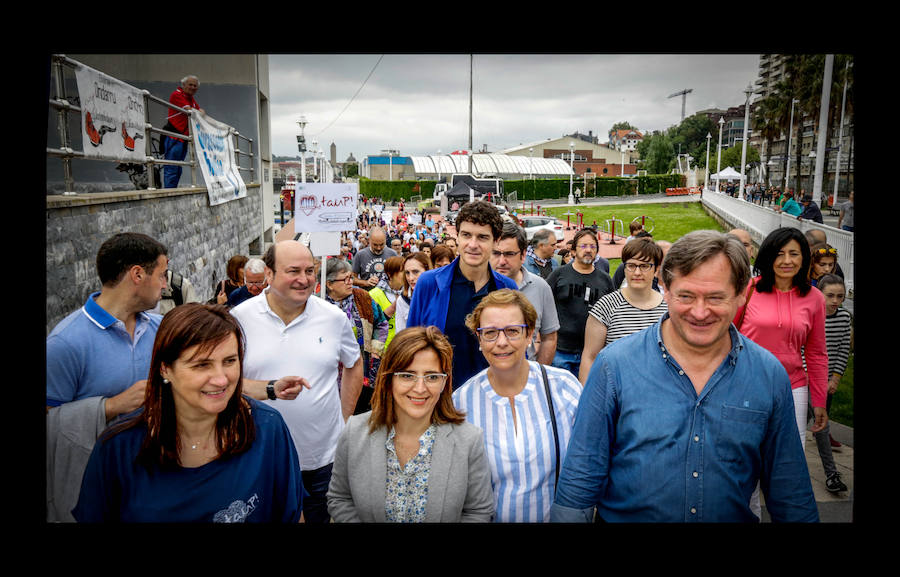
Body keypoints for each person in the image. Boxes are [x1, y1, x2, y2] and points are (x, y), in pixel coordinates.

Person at [550, 230, 819, 522]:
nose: (700, 312)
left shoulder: (768, 376)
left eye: (716, 297)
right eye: (686, 296)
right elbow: (580, 479)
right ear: (665, 288)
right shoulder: (614, 367)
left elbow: (790, 493)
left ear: (742, 294)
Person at [72, 304, 306, 522]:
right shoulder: (118, 449)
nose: (221, 379)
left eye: (230, 361)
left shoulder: (267, 429)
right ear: (165, 369)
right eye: (201, 365)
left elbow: (292, 514)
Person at [229, 240, 364, 524]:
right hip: (258, 456)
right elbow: (225, 382)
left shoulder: (333, 317)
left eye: (310, 271)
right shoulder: (238, 320)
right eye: (293, 271)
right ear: (269, 273)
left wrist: (345, 417)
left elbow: (354, 364)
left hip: (321, 460)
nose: (304, 280)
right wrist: (265, 389)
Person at [46, 232, 169, 522]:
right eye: (163, 275)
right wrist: (111, 406)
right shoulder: (65, 343)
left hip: (158, 482)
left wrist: (269, 389)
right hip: (96, 494)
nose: (166, 284)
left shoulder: (162, 328)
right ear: (137, 274)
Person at [326, 326, 495, 522]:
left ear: (444, 383)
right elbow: (340, 499)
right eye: (407, 375)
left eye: (432, 377)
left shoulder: (469, 440)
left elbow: (478, 511)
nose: (420, 388)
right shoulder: (354, 431)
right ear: (389, 379)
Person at [453, 289, 580, 522]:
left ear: (529, 334)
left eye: (512, 331)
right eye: (490, 333)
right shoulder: (461, 402)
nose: (502, 342)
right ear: (478, 339)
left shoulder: (564, 387)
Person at [734, 226, 828, 451]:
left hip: (792, 386)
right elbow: (727, 335)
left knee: (789, 457)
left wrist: (819, 401)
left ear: (804, 258)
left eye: (794, 254)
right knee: (748, 455)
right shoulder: (749, 289)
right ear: (768, 256)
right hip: (747, 384)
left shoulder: (815, 298)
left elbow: (816, 353)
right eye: (779, 254)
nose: (787, 261)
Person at [407, 200, 518, 390]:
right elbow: (410, 346)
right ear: (457, 236)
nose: (472, 245)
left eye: (482, 237)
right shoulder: (428, 283)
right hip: (440, 399)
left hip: (491, 397)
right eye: (466, 235)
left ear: (496, 240)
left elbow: (516, 351)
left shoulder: (507, 288)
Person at [578, 238, 668, 383]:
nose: (637, 272)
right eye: (631, 265)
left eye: (645, 266)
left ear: (656, 270)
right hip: (614, 395)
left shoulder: (668, 310)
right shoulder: (605, 306)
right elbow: (590, 357)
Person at [545, 229, 614, 377]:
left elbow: (612, 314)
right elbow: (543, 305)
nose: (588, 250)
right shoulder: (559, 275)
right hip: (560, 351)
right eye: (583, 246)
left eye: (592, 246)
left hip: (592, 353)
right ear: (574, 251)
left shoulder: (605, 280)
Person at [324, 258, 390, 414]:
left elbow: (381, 323)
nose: (350, 282)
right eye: (344, 279)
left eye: (351, 278)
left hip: (363, 369)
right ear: (329, 284)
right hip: (330, 375)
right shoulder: (318, 304)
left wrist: (376, 350)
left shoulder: (363, 298)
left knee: (360, 413)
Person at [490, 221, 560, 365]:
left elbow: (549, 338)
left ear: (523, 255)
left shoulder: (541, 287)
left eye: (509, 254)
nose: (501, 261)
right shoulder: (476, 287)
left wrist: (538, 374)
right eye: (496, 253)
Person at [809, 274, 851, 492]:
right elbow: (803, 348)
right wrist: (811, 378)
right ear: (819, 294)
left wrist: (835, 378)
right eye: (830, 296)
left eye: (840, 296)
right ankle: (832, 474)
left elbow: (844, 349)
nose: (835, 300)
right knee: (821, 426)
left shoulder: (844, 317)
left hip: (828, 383)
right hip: (808, 380)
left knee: (819, 426)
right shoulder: (812, 314)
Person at [163, 75, 203, 189]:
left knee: (179, 167)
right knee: (172, 167)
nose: (192, 87)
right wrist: (199, 111)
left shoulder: (190, 98)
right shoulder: (177, 94)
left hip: (182, 138)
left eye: (195, 86)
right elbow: (191, 111)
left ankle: (173, 191)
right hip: (174, 137)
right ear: (184, 85)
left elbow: (199, 111)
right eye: (190, 84)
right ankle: (169, 193)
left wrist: (199, 111)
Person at [368, 255, 406, 352]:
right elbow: (370, 326)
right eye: (402, 271)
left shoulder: (410, 293)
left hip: (404, 348)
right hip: (382, 351)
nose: (406, 275)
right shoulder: (374, 294)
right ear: (390, 274)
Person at [352, 226, 398, 291]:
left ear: (386, 240)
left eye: (382, 244)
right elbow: (352, 278)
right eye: (375, 245)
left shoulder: (392, 254)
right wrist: (366, 283)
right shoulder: (360, 255)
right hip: (367, 297)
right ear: (369, 240)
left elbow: (399, 276)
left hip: (388, 297)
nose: (378, 248)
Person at [395, 252, 431, 335]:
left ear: (428, 271)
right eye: (407, 273)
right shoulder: (402, 300)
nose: (410, 278)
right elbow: (400, 334)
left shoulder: (438, 295)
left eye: (415, 272)